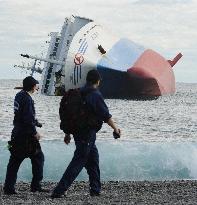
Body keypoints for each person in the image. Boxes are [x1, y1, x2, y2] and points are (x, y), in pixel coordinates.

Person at [51, 69, 121, 198]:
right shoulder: (95, 95)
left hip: (78, 132)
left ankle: (95, 189)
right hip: (87, 133)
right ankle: (59, 191)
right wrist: (115, 129)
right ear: (98, 81)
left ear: (87, 80)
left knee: (93, 159)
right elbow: (105, 115)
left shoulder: (77, 92)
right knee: (79, 160)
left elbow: (70, 115)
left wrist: (67, 133)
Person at [3, 76, 47, 195]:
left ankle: (8, 187)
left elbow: (22, 115)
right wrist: (35, 132)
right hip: (26, 135)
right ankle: (36, 186)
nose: (37, 87)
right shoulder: (28, 99)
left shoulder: (19, 95)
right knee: (38, 158)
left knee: (14, 161)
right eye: (36, 85)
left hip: (16, 133)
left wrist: (36, 122)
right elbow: (27, 119)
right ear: (32, 86)